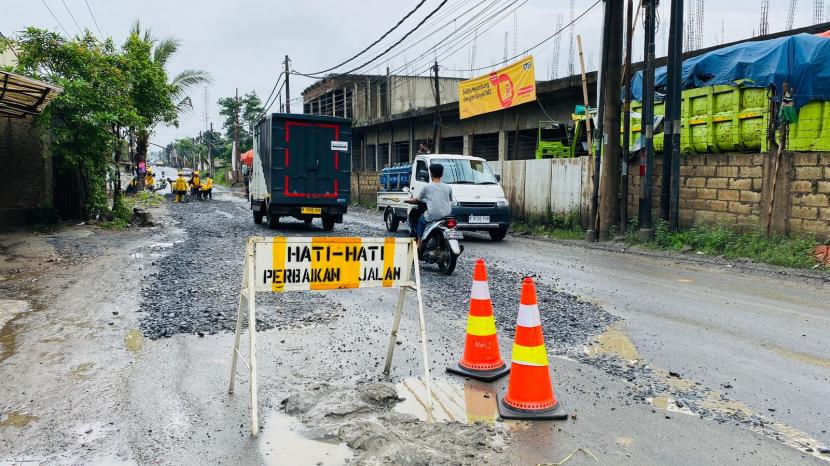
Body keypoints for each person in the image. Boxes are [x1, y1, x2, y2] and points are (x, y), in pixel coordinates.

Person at [405, 163, 453, 245]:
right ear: (441, 174)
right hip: (447, 215)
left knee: (420, 220)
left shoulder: (427, 187)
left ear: (431, 174)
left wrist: (408, 201)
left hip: (433, 215)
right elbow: (450, 200)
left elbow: (417, 199)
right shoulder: (448, 187)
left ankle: (419, 242)